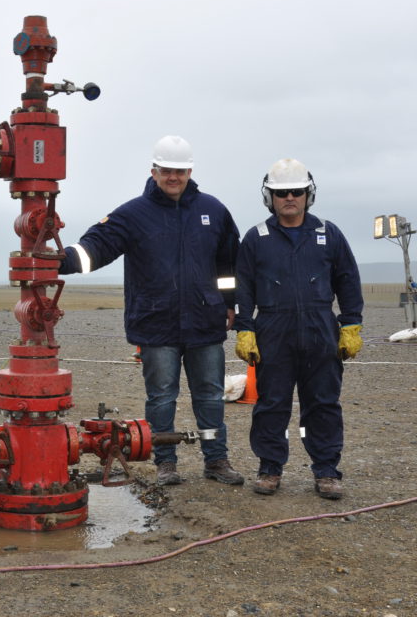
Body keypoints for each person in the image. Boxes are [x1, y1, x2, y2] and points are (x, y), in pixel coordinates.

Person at [59, 135, 244, 487]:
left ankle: (216, 460)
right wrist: (62, 259)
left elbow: (229, 266)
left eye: (179, 170)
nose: (173, 177)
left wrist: (230, 303)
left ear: (189, 170)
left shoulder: (213, 211)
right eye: (166, 170)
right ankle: (166, 462)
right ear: (153, 170)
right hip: (156, 324)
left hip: (205, 322)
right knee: (161, 396)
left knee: (209, 394)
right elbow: (96, 247)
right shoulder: (133, 214)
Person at [234, 158, 364, 499]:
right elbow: (243, 288)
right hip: (273, 330)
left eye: (297, 191)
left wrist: (351, 324)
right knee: (272, 403)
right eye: (281, 192)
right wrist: (245, 328)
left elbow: (348, 281)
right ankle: (270, 468)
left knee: (322, 404)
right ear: (270, 197)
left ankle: (326, 471)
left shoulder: (329, 234)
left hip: (320, 329)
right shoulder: (256, 239)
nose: (289, 197)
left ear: (309, 194)